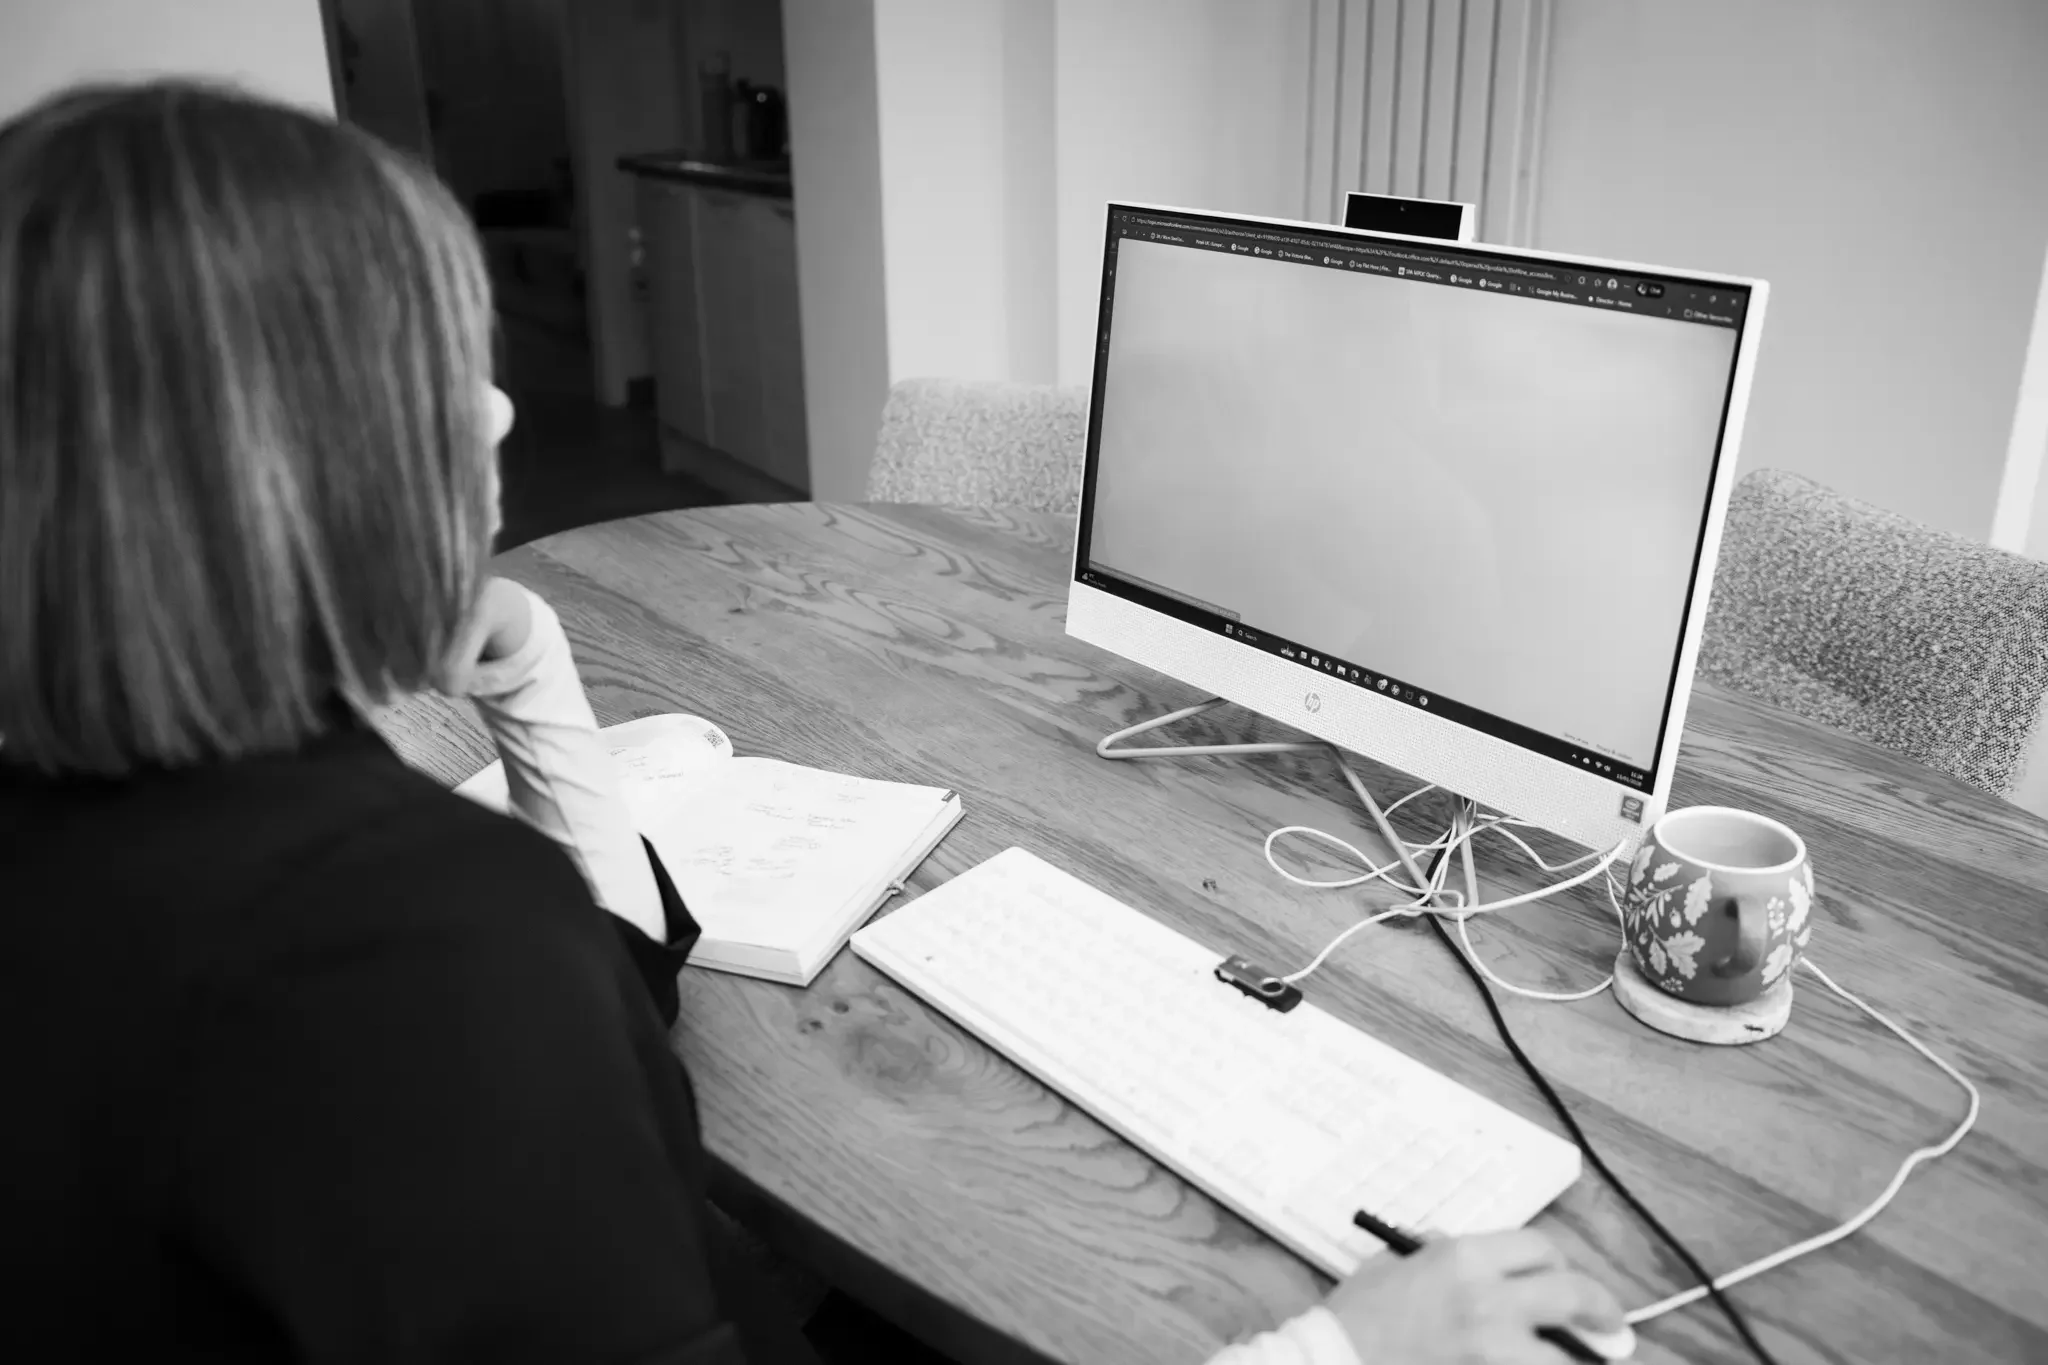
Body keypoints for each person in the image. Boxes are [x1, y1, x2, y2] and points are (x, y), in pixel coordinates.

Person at [0, 80, 1630, 1364]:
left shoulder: (122, 832)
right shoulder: (399, 949)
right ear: (282, 477)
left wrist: (544, 700)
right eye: (437, 375)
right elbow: (536, 1005)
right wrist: (1348, 1344)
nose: (498, 411)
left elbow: (611, 993)